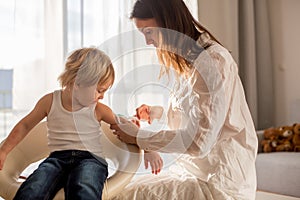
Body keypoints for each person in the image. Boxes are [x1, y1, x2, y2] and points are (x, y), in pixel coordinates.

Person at [110, 0, 258, 199]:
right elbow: (198, 115)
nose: (148, 42)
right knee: (122, 190)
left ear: (167, 21)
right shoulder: (190, 60)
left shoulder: (212, 61)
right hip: (192, 170)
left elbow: (200, 141)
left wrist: (139, 137)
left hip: (218, 182)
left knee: (123, 195)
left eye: (148, 32)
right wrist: (156, 112)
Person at [0, 47, 162, 200]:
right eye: (100, 90)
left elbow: (125, 126)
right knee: (33, 188)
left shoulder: (99, 109)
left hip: (90, 159)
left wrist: (148, 148)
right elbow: (25, 126)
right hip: (57, 159)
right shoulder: (49, 102)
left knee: (84, 187)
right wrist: (4, 151)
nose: (102, 96)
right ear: (77, 83)